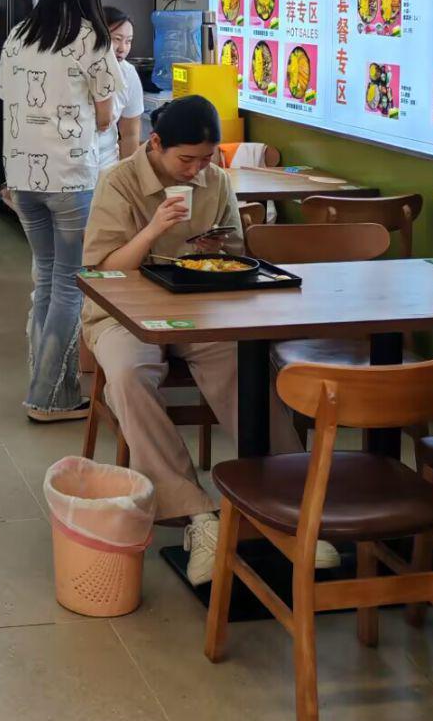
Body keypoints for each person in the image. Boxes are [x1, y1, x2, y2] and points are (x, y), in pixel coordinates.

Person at [81, 94, 336, 584]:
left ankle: (291, 508)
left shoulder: (214, 180)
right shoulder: (119, 181)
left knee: (245, 367)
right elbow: (103, 271)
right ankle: (197, 516)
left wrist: (217, 246)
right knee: (129, 377)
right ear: (156, 144)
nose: (197, 170)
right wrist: (154, 229)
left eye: (206, 159)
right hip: (121, 315)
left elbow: (234, 252)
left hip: (198, 308)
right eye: (187, 160)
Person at [0, 0, 119, 422]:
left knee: (45, 279)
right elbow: (106, 115)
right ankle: (47, 397)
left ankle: (54, 392)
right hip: (69, 179)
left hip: (22, 178)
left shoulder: (19, 34)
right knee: (69, 285)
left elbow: (7, 99)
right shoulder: (93, 38)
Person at [96, 6, 144, 171]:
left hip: (106, 163)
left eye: (128, 41)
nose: (122, 48)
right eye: (117, 39)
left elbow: (130, 134)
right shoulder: (78, 70)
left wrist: (128, 176)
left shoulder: (128, 73)